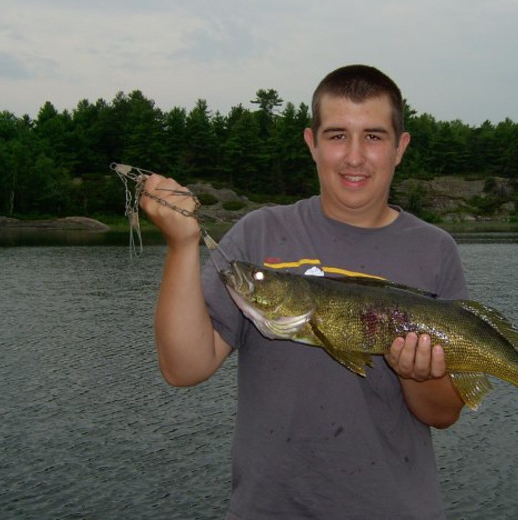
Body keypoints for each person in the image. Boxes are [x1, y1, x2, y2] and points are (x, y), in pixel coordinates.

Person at [140, 64, 469, 520]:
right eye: (337, 136)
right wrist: (182, 245)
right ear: (312, 144)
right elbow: (183, 368)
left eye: (373, 136)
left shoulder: (435, 250)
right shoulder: (259, 234)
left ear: (400, 148)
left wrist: (422, 374)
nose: (354, 156)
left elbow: (443, 414)